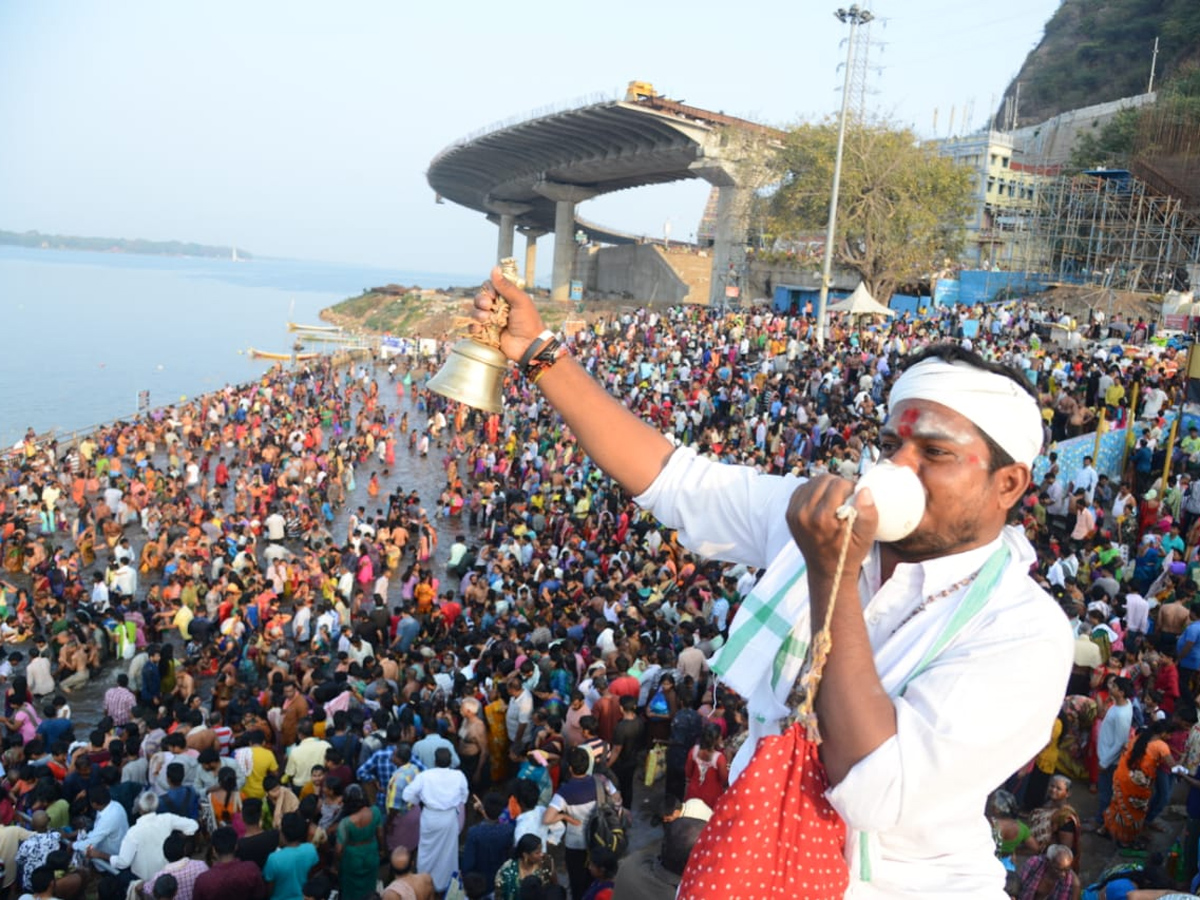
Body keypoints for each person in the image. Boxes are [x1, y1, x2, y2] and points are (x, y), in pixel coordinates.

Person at [469, 272, 1074, 897]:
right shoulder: (823, 523)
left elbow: (876, 788)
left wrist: (830, 575)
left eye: (935, 453)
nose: (897, 468)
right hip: (756, 858)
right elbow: (680, 483)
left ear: (1009, 484)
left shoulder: (1023, 631)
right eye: (891, 443)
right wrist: (539, 352)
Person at [402, 747, 468, 895]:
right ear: (450, 761)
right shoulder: (458, 776)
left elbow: (407, 795)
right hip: (449, 818)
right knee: (448, 852)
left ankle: (424, 882)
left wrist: (418, 801)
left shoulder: (425, 776)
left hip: (430, 817)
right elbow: (464, 796)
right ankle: (445, 884)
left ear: (435, 761)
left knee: (426, 851)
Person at [1104, 721, 1176, 848]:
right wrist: (1185, 771)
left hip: (1122, 777)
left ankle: (1109, 831)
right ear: (1164, 733)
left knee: (1118, 805)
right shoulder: (1161, 746)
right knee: (1134, 813)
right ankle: (1126, 841)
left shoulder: (1141, 737)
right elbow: (1173, 767)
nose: (1170, 738)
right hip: (1137, 785)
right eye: (1170, 735)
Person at [332, 785, 383, 900]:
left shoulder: (346, 823)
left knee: (350, 888)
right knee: (369, 884)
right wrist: (381, 850)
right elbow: (380, 834)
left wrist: (335, 865)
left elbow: (339, 849)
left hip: (352, 857)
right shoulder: (375, 811)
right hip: (371, 851)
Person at [192, 826, 267, 900]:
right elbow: (260, 894)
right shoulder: (251, 869)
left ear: (214, 850)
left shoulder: (203, 881)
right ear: (236, 846)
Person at [262, 812, 317, 900]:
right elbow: (311, 874)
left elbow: (269, 888)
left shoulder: (274, 859)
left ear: (282, 833)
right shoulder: (310, 849)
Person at [493, 834, 554, 900]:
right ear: (525, 855)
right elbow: (499, 896)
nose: (541, 854)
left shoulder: (545, 863)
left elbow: (554, 887)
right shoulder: (506, 872)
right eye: (537, 853)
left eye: (541, 850)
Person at [1013, 844, 1080, 900]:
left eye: (1067, 869)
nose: (1063, 874)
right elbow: (1018, 886)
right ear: (1048, 861)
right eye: (1058, 869)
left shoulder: (1073, 882)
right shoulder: (1034, 863)